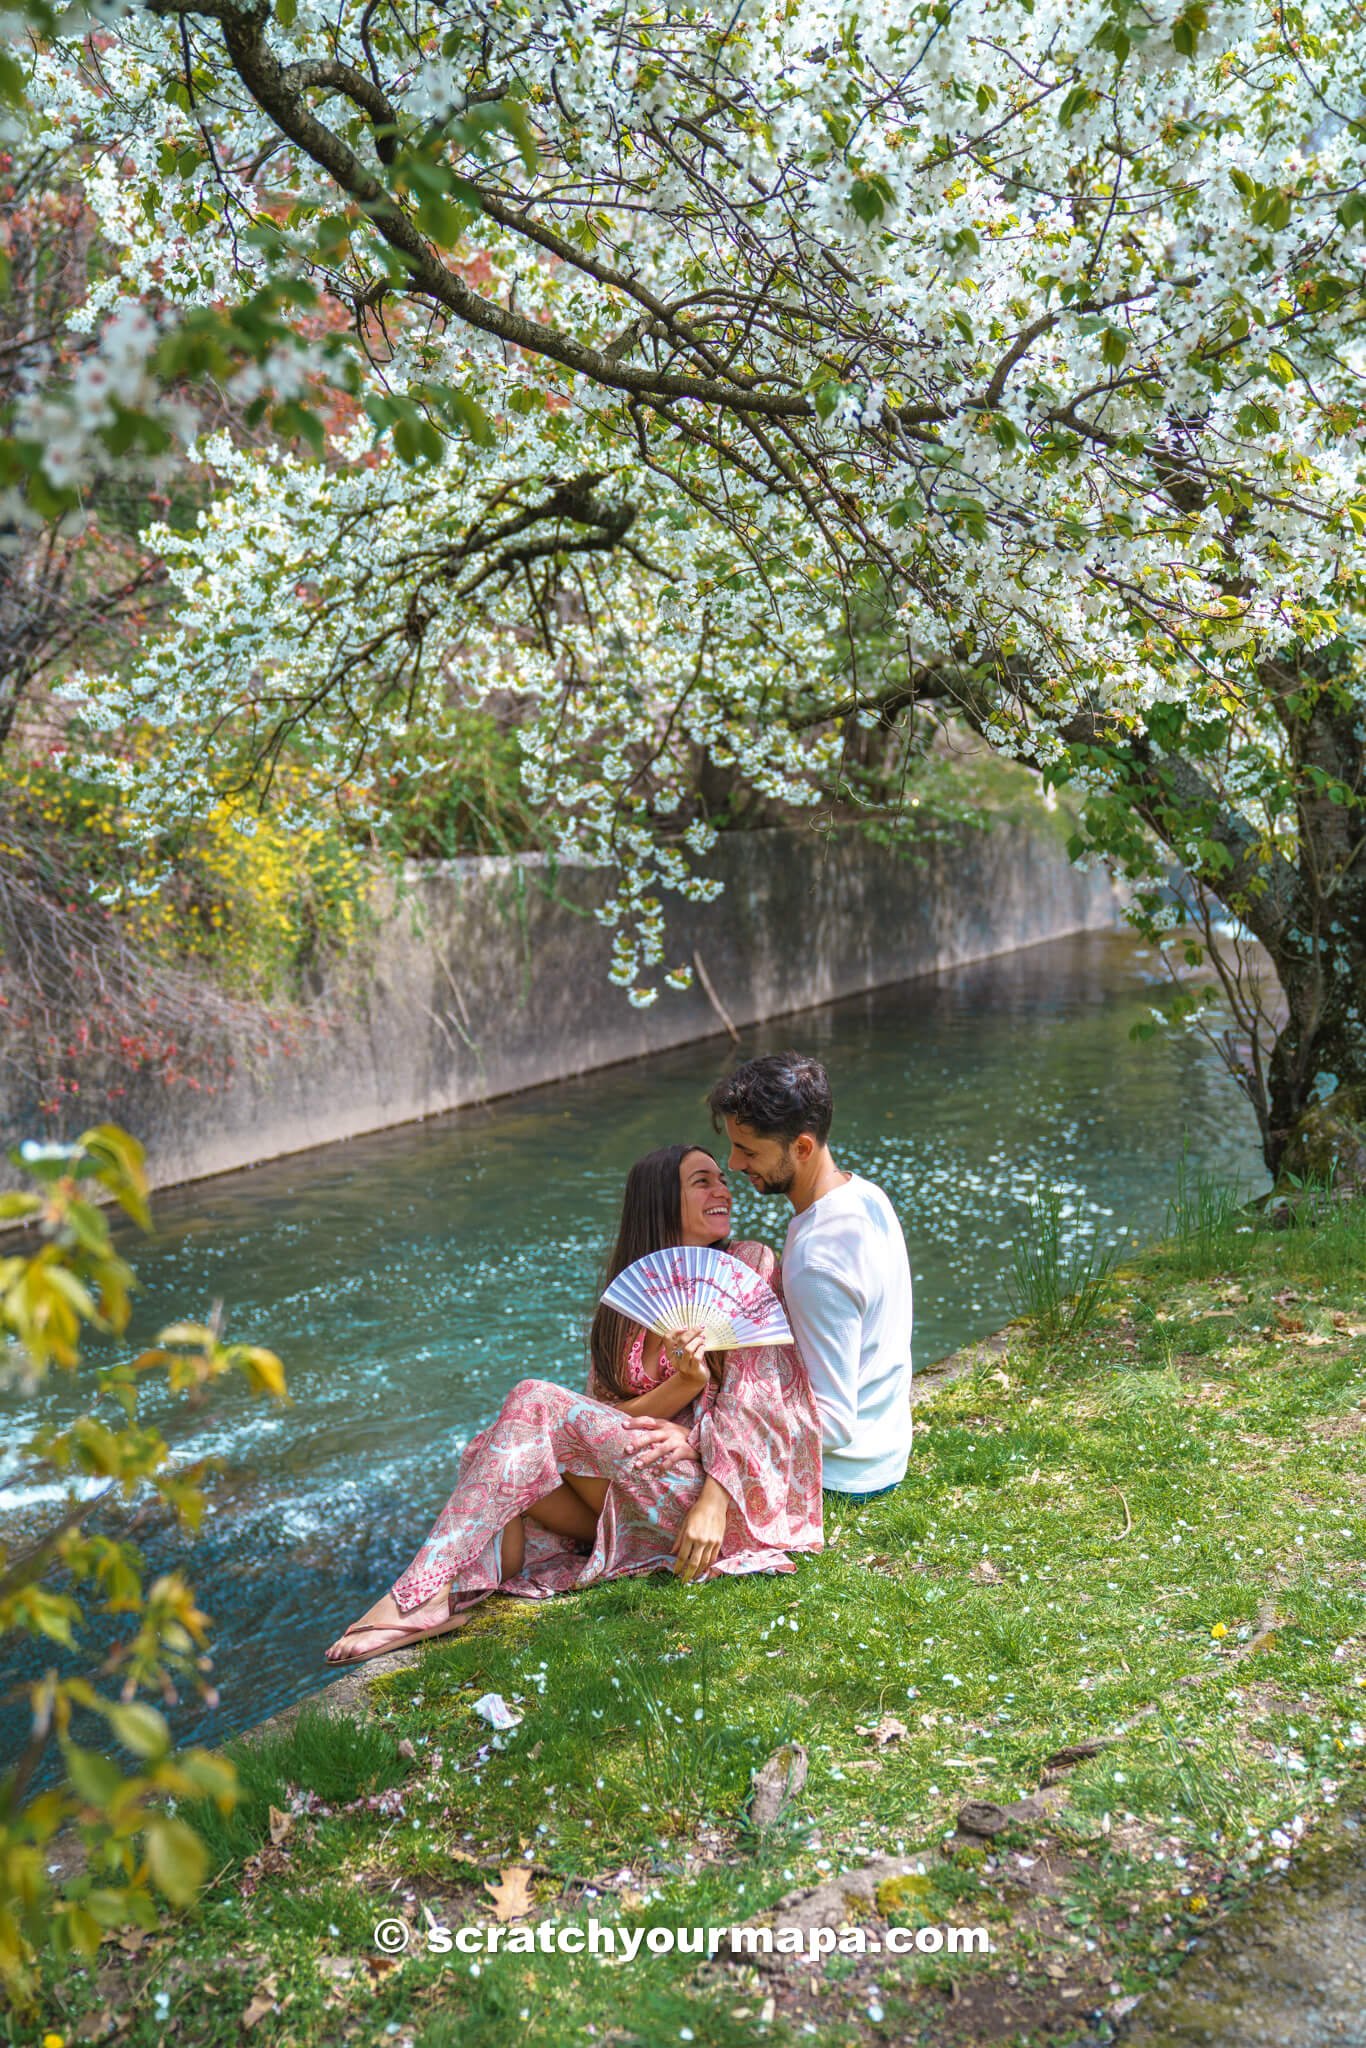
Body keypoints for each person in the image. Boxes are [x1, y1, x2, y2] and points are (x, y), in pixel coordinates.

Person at [323, 1144, 822, 1665]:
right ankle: (452, 1594)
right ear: (659, 1202)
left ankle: (419, 1594)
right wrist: (684, 1384)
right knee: (493, 1448)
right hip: (636, 1490)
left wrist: (708, 1484)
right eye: (703, 1181)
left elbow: (761, 1400)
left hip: (712, 1499)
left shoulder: (749, 1263)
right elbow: (598, 1428)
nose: (723, 1190)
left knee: (531, 1401)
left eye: (722, 1178)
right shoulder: (628, 1301)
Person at [710, 1051, 914, 1501]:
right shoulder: (864, 1195)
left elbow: (835, 1423)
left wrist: (719, 1441)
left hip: (843, 1475)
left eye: (747, 1150)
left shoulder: (817, 1260)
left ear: (801, 1148)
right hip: (886, 1447)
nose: (735, 1163)